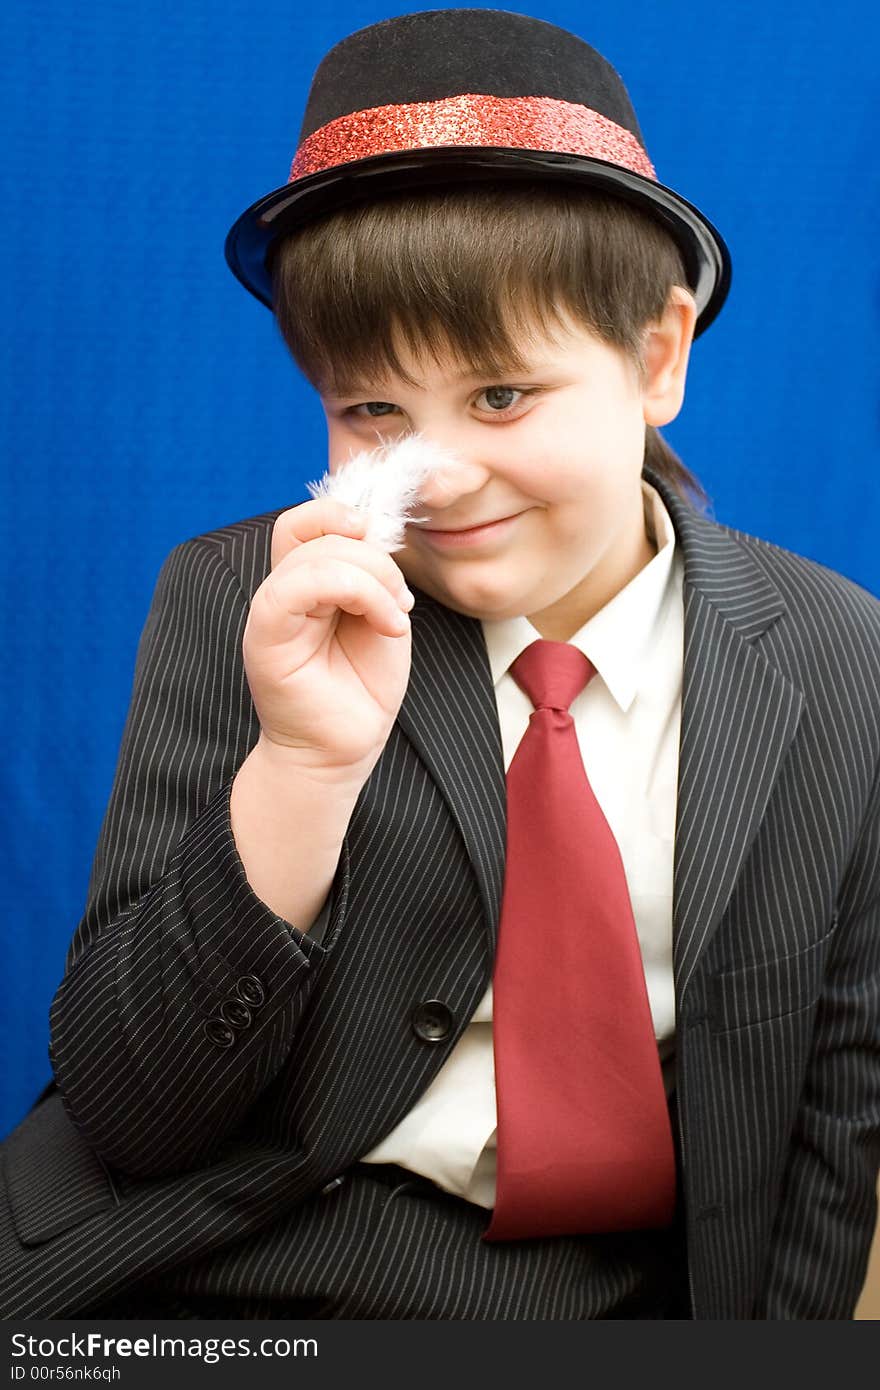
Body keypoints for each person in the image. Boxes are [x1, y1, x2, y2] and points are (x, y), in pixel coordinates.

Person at [1, 8, 878, 1321]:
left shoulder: (838, 658)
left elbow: (838, 1107)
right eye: (373, 411)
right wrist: (301, 768)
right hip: (190, 1269)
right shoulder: (244, 595)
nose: (443, 476)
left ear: (659, 356)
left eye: (502, 396)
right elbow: (128, 1108)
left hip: (577, 1295)